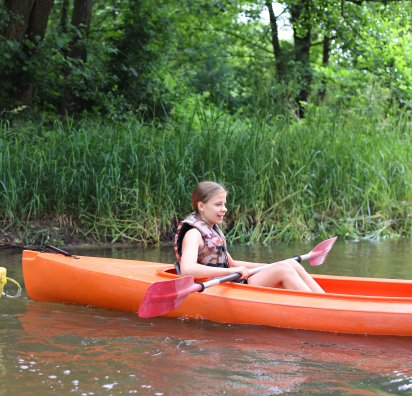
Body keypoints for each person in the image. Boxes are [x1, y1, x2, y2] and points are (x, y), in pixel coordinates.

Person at [174, 181, 325, 293]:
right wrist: (233, 272)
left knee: (290, 264)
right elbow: (188, 269)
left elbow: (230, 263)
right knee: (283, 270)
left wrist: (267, 266)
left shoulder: (212, 229)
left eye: (224, 204)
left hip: (230, 282)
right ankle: (318, 308)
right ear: (201, 206)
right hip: (216, 287)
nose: (224, 209)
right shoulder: (193, 234)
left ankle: (324, 299)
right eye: (218, 204)